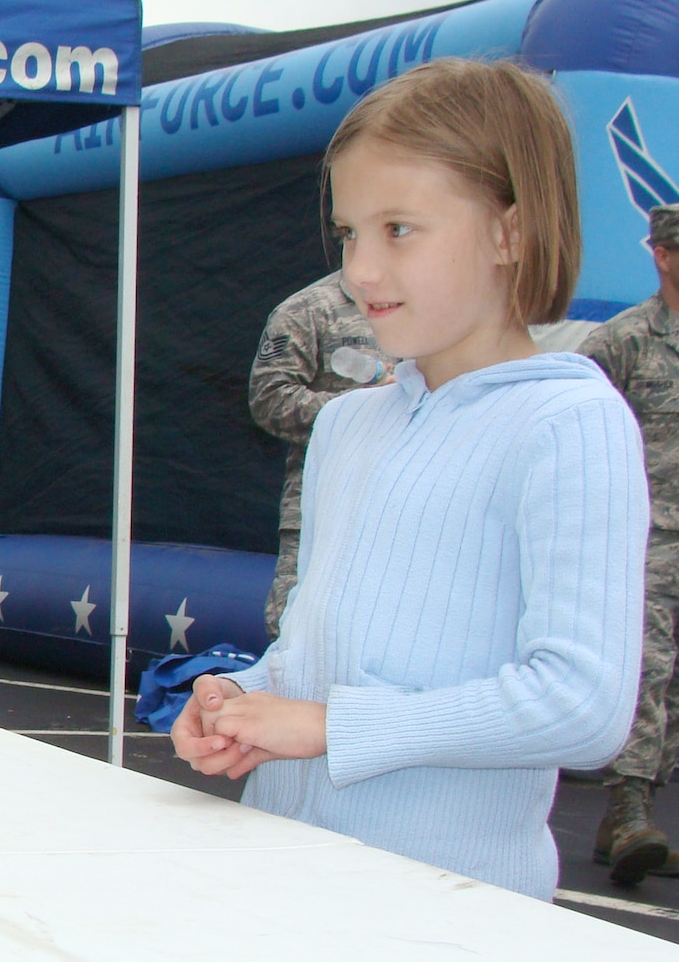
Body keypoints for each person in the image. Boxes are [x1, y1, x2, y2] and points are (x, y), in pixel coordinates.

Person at [170, 57, 646, 902]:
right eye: (350, 232)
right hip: (277, 881)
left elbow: (584, 704)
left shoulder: (568, 423)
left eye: (399, 229)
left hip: (444, 911)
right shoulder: (347, 425)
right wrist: (243, 697)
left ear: (510, 233)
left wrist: (330, 727)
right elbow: (316, 647)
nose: (358, 270)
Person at [578, 202, 679, 884]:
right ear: (664, 256)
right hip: (651, 533)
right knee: (650, 662)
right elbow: (579, 432)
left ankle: (624, 827)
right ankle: (629, 809)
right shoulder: (624, 342)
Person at [247, 272, 390, 636]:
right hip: (325, 505)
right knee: (297, 631)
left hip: (407, 506)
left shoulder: (433, 303)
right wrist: (362, 408)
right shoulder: (309, 309)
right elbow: (269, 400)